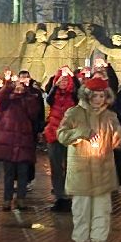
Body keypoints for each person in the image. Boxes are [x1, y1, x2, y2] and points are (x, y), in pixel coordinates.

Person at [57, 75, 121, 242]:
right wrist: (81, 134)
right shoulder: (74, 113)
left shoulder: (110, 116)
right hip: (81, 173)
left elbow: (117, 135)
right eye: (94, 96)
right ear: (87, 96)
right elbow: (61, 135)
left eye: (102, 96)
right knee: (80, 213)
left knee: (101, 214)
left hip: (103, 173)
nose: (98, 100)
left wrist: (117, 137)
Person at [0, 74, 43, 223]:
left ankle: (21, 199)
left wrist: (26, 93)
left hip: (24, 139)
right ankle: (7, 200)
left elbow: (34, 112)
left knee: (22, 172)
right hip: (8, 139)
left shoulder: (30, 98)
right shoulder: (7, 99)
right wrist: (8, 86)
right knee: (8, 173)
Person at [44, 69, 79, 212]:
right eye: (61, 80)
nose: (63, 83)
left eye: (66, 80)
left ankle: (69, 196)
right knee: (56, 167)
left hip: (69, 135)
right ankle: (60, 197)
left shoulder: (74, 96)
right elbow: (49, 99)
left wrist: (73, 76)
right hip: (54, 134)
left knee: (70, 167)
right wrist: (55, 86)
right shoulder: (54, 94)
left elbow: (80, 93)